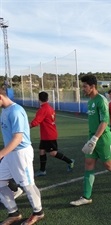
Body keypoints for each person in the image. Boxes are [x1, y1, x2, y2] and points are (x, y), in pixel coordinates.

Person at [70, 75, 111, 207]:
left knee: (109, 166)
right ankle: (86, 196)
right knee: (88, 164)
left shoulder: (101, 101)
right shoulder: (90, 101)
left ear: (92, 87)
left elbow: (104, 122)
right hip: (93, 138)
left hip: (103, 139)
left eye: (85, 86)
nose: (83, 89)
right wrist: (91, 139)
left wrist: (95, 139)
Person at [0, 84, 44, 224]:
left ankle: (38, 212)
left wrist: (1, 154)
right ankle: (14, 213)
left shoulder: (16, 111)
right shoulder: (5, 110)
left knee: (28, 184)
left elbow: (18, 138)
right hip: (10, 153)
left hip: (21, 153)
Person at [30, 91, 75, 177]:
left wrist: (25, 127)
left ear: (39, 99)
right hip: (47, 134)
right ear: (47, 99)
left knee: (53, 153)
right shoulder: (50, 108)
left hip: (49, 135)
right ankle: (42, 170)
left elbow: (35, 122)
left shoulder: (43, 109)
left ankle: (70, 161)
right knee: (42, 151)